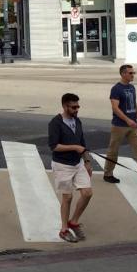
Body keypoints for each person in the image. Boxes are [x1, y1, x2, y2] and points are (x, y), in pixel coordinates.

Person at [48, 92, 93, 242]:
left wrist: (87, 162)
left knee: (87, 193)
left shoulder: (77, 121)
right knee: (67, 197)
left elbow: (83, 143)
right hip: (62, 165)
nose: (76, 109)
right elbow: (54, 146)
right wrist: (75, 147)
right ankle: (64, 229)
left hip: (78, 163)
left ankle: (73, 222)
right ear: (65, 106)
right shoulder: (55, 123)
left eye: (78, 106)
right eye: (73, 107)